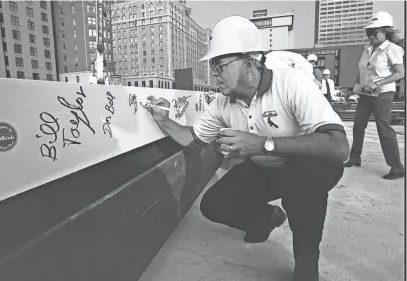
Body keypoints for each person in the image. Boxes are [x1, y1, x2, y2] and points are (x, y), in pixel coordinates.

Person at [142, 16, 348, 281]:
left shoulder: (290, 84)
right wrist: (162, 119)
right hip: (265, 168)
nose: (213, 73)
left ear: (250, 63)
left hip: (308, 167)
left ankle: (307, 267)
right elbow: (193, 138)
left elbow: (338, 146)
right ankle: (268, 218)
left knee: (303, 191)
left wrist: (263, 144)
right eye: (213, 66)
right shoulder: (222, 104)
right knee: (214, 204)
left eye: (220, 65)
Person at [344, 11, 405, 180]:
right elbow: (362, 71)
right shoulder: (367, 51)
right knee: (358, 126)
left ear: (386, 31)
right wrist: (354, 87)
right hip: (365, 94)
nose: (370, 37)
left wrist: (378, 83)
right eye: (369, 34)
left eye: (374, 33)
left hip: (383, 94)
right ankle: (355, 157)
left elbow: (400, 73)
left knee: (383, 128)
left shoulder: (393, 49)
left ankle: (397, 167)